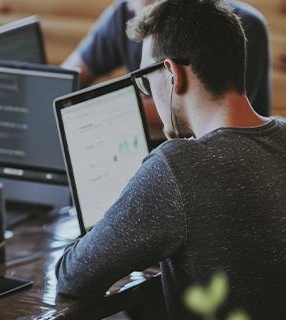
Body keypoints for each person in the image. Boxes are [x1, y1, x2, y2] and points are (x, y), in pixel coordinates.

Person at [55, 0, 286, 318]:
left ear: (173, 74)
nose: (148, 92)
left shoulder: (178, 168)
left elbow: (73, 277)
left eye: (144, 81)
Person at [62, 0, 271, 139]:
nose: (136, 11)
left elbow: (210, 110)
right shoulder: (126, 11)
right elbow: (69, 76)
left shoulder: (240, 25)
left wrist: (98, 109)